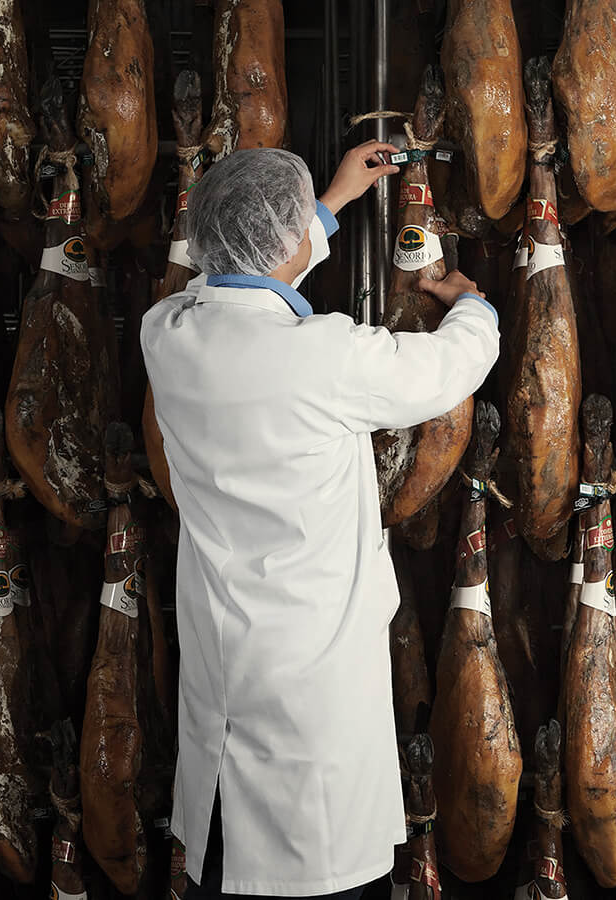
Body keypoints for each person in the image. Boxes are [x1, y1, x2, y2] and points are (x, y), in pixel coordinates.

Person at [140, 141, 500, 900]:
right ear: (284, 243)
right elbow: (445, 370)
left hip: (221, 702)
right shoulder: (327, 359)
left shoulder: (167, 335)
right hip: (316, 728)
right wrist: (472, 304)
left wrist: (327, 207)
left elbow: (238, 283)